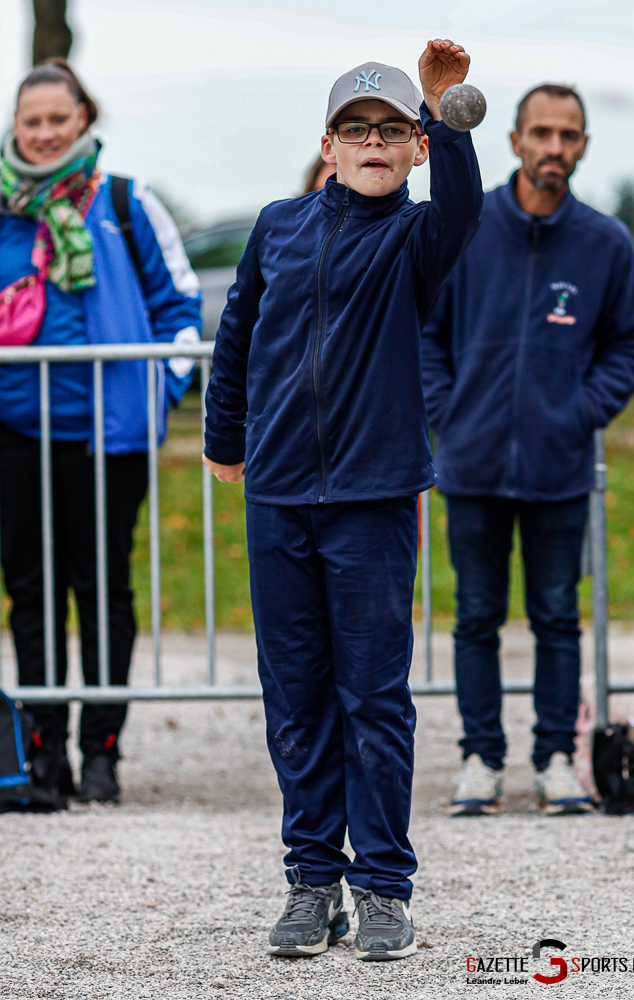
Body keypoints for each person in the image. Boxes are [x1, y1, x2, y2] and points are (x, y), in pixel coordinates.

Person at [204, 38, 482, 960]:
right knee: (295, 698)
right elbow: (237, 329)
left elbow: (465, 209)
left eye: (392, 131)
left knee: (372, 697)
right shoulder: (278, 225)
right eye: (355, 129)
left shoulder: (415, 238)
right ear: (328, 145)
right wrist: (224, 439)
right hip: (278, 492)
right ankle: (311, 879)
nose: (373, 142)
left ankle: (384, 888)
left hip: (371, 496)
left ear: (414, 150)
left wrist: (449, 113)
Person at [421, 83, 634, 817]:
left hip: (558, 465)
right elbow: (425, 333)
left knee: (556, 616)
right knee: (475, 617)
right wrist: (446, 413)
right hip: (472, 460)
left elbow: (631, 342)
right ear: (515, 139)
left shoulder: (605, 242)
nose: (554, 147)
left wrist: (580, 411)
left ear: (582, 146)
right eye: (541, 133)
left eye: (568, 135)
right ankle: (479, 761)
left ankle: (556, 757)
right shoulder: (466, 226)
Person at [0, 59, 202, 807]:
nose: (46, 133)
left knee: (103, 587)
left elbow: (181, 304)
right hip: (17, 431)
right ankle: (42, 749)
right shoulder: (2, 209)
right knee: (31, 591)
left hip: (108, 435)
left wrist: (162, 389)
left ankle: (102, 749)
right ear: (16, 127)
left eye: (59, 118)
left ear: (84, 118)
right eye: (32, 121)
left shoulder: (125, 201)